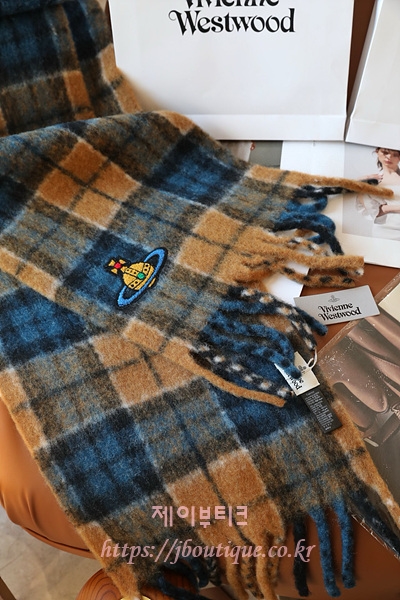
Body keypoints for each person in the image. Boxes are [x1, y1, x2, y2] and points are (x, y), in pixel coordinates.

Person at [357, 147, 400, 239]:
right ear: (377, 152)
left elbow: (380, 209)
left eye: (395, 154)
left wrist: (385, 208)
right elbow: (374, 212)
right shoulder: (369, 181)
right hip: (383, 232)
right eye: (385, 152)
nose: (389, 157)